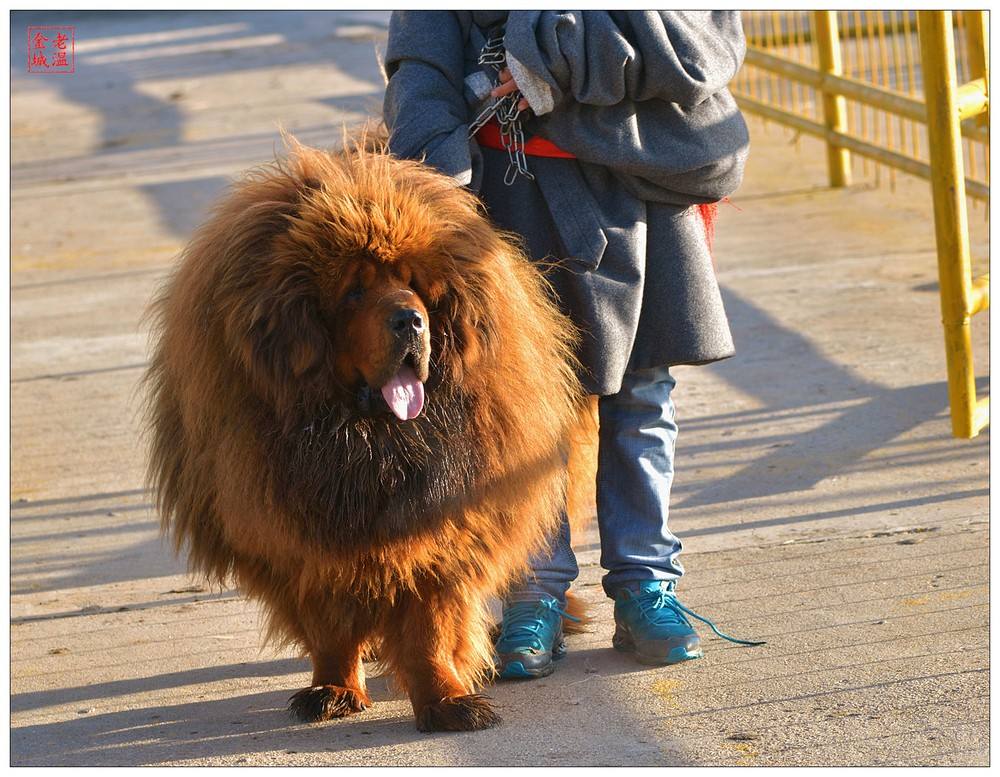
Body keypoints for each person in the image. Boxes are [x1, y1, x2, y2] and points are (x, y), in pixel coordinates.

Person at [383, 11, 762, 679]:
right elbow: (424, 68)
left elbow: (702, 46)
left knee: (643, 395)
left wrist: (546, 64)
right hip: (508, 192)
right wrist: (436, 180)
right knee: (524, 410)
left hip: (641, 175)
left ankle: (646, 588)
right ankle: (534, 594)